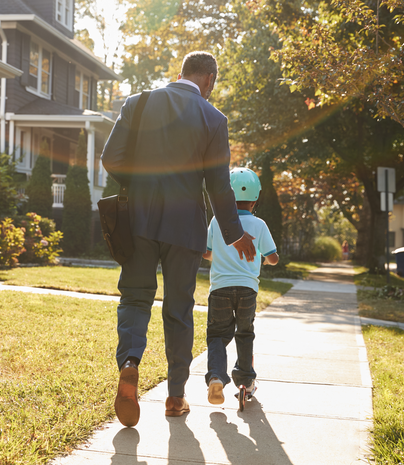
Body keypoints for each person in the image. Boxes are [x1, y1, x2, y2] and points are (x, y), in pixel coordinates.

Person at [101, 51, 256, 427]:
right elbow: (220, 186)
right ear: (209, 79)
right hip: (185, 227)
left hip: (137, 220)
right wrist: (236, 235)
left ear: (182, 73)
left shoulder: (138, 104)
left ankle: (130, 362)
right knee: (178, 310)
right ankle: (175, 397)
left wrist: (140, 185)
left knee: (135, 298)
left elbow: (110, 158)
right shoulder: (213, 118)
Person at [203, 168, 279, 405]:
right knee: (244, 334)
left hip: (220, 289)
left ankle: (216, 376)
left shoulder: (217, 221)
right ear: (255, 199)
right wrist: (262, 258)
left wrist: (219, 256)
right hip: (248, 290)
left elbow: (206, 252)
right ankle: (245, 383)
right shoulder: (260, 224)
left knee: (217, 335)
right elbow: (274, 257)